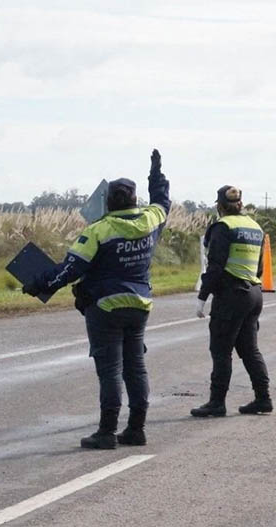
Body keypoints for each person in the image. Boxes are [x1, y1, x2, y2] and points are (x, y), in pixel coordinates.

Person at [23, 149, 170, 449]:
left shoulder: (98, 231)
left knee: (110, 371)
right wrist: (156, 173)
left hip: (104, 308)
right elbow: (162, 202)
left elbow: (67, 271)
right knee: (136, 368)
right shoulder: (151, 221)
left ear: (108, 202)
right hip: (140, 305)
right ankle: (136, 429)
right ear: (133, 200)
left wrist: (35, 283)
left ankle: (106, 433)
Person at [191, 185, 272, 418]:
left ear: (220, 206)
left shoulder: (223, 227)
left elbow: (215, 266)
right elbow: (259, 267)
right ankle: (263, 398)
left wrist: (202, 296)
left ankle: (216, 402)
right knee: (249, 349)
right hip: (254, 293)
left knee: (220, 349)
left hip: (232, 295)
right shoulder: (255, 227)